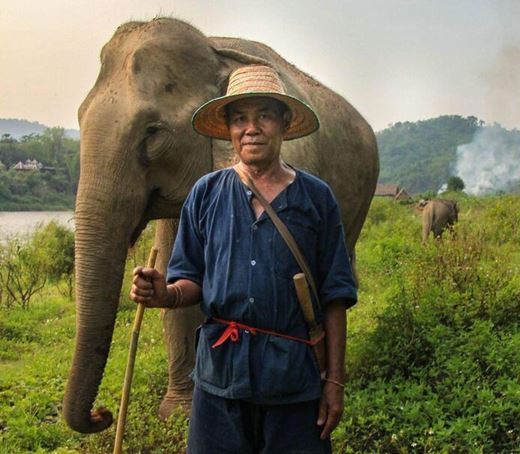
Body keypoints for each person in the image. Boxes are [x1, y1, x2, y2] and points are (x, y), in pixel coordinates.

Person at [129, 65, 357, 453]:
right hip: (219, 382)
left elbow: (336, 295)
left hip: (292, 382)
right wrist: (163, 293)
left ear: (284, 123)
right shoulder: (205, 193)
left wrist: (334, 382)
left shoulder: (316, 198)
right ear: (229, 130)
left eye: (264, 115)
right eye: (240, 119)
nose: (251, 128)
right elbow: (190, 281)